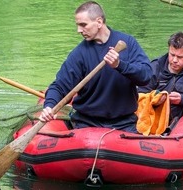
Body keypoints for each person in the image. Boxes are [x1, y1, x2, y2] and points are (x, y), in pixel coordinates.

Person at [39, 1, 153, 133]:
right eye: (78, 25)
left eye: (83, 25)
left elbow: (146, 76)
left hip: (123, 123)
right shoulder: (79, 53)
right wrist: (49, 106)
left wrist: (119, 65)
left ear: (99, 22)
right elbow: (59, 86)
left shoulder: (128, 43)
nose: (79, 30)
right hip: (87, 123)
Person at [138, 32, 183, 124]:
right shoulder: (155, 66)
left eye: (180, 57)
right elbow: (140, 95)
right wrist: (155, 98)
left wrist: (182, 99)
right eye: (172, 55)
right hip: (154, 115)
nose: (174, 60)